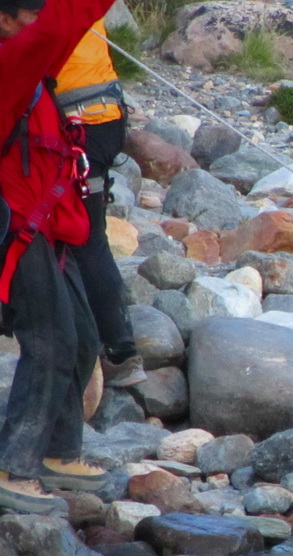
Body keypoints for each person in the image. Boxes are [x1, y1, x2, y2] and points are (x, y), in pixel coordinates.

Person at [0, 0, 118, 514]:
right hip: (15, 230)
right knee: (49, 341)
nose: (40, 27)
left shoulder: (35, 71)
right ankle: (13, 466)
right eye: (30, 16)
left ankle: (58, 452)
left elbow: (65, 30)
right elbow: (59, 25)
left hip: (46, 228)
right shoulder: (9, 66)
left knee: (82, 337)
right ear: (5, 21)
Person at [55, 17, 145, 387]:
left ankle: (114, 350)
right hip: (105, 121)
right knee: (87, 235)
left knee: (81, 237)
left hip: (72, 126)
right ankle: (118, 351)